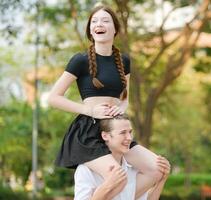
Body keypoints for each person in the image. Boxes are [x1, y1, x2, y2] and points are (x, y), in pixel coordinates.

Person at [47, 4, 168, 197]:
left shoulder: (124, 61)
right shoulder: (80, 60)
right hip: (88, 131)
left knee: (157, 169)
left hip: (114, 129)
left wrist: (118, 112)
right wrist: (92, 111)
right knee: (117, 176)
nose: (98, 24)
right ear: (90, 31)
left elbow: (124, 99)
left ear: (115, 29)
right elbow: (53, 98)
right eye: (94, 21)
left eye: (105, 20)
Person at [74, 114, 170, 200]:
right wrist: (108, 186)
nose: (129, 138)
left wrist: (162, 179)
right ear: (105, 136)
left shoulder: (134, 169)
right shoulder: (86, 170)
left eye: (130, 132)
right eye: (123, 133)